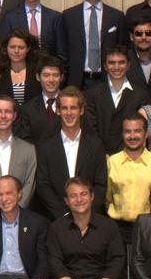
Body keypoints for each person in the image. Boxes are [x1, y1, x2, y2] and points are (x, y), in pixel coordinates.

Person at [35, 86, 109, 220]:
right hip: (56, 221)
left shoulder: (96, 145)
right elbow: (43, 185)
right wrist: (64, 214)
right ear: (57, 111)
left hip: (90, 219)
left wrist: (85, 212)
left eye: (73, 108)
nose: (69, 113)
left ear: (81, 110)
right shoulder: (45, 147)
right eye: (64, 108)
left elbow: (100, 184)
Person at [61, 0, 127, 90]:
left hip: (108, 81)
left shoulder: (116, 16)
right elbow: (63, 51)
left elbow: (123, 48)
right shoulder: (69, 16)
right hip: (77, 81)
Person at [105, 113, 151, 244]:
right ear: (122, 134)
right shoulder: (112, 162)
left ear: (146, 134)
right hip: (117, 229)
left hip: (150, 228)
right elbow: (107, 198)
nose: (132, 136)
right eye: (127, 132)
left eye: (137, 131)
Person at [86, 46, 148, 154]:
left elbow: (141, 129)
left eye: (121, 62)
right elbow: (91, 129)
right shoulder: (92, 94)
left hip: (130, 157)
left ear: (128, 65)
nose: (116, 67)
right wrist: (101, 154)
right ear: (105, 66)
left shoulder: (141, 95)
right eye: (111, 63)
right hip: (100, 157)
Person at [0, 0, 64, 62]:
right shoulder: (10, 18)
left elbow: (60, 52)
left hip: (47, 73)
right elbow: (3, 50)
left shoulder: (55, 18)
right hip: (18, 71)